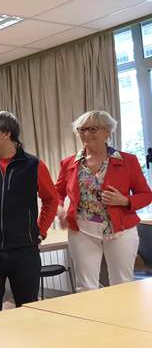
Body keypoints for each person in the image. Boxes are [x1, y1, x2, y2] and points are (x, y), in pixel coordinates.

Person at [55, 110, 152, 291]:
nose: (86, 134)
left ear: (107, 131)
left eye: (93, 129)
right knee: (85, 286)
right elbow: (57, 193)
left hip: (120, 229)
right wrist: (59, 208)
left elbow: (146, 195)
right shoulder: (69, 163)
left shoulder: (128, 161)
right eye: (82, 129)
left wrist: (125, 201)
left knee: (121, 284)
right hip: (82, 230)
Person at [0, 111, 58, 311]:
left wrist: (41, 230)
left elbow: (51, 199)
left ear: (6, 134)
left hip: (24, 250)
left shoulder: (34, 165)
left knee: (28, 307)